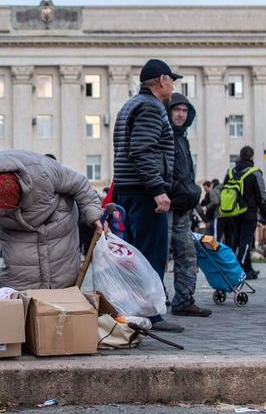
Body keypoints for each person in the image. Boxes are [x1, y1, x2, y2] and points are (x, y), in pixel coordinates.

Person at [0, 150, 103, 304]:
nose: (1, 214)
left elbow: (80, 184)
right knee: (22, 311)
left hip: (58, 235)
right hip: (20, 274)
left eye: (7, 209)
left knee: (62, 303)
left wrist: (94, 215)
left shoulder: (44, 170)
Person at [112, 58, 184, 332]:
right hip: (144, 193)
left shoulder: (130, 105)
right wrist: (158, 190)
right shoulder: (152, 108)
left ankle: (134, 311)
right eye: (172, 80)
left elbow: (126, 149)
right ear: (163, 80)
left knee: (134, 255)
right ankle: (150, 315)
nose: (173, 86)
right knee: (150, 256)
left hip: (128, 189)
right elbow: (141, 151)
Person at [166, 92, 210, 317]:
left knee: (187, 253)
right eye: (177, 110)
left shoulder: (182, 138)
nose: (181, 115)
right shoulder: (164, 134)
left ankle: (183, 300)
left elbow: (186, 172)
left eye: (185, 111)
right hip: (165, 206)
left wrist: (192, 190)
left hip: (183, 207)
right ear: (169, 110)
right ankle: (151, 301)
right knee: (158, 255)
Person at [219, 146, 266, 280]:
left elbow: (224, 190)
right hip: (249, 213)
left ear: (240, 156)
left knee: (236, 240)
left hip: (233, 212)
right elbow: (261, 197)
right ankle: (237, 270)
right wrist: (264, 214)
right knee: (245, 241)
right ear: (251, 157)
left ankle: (247, 269)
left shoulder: (230, 172)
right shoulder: (255, 173)